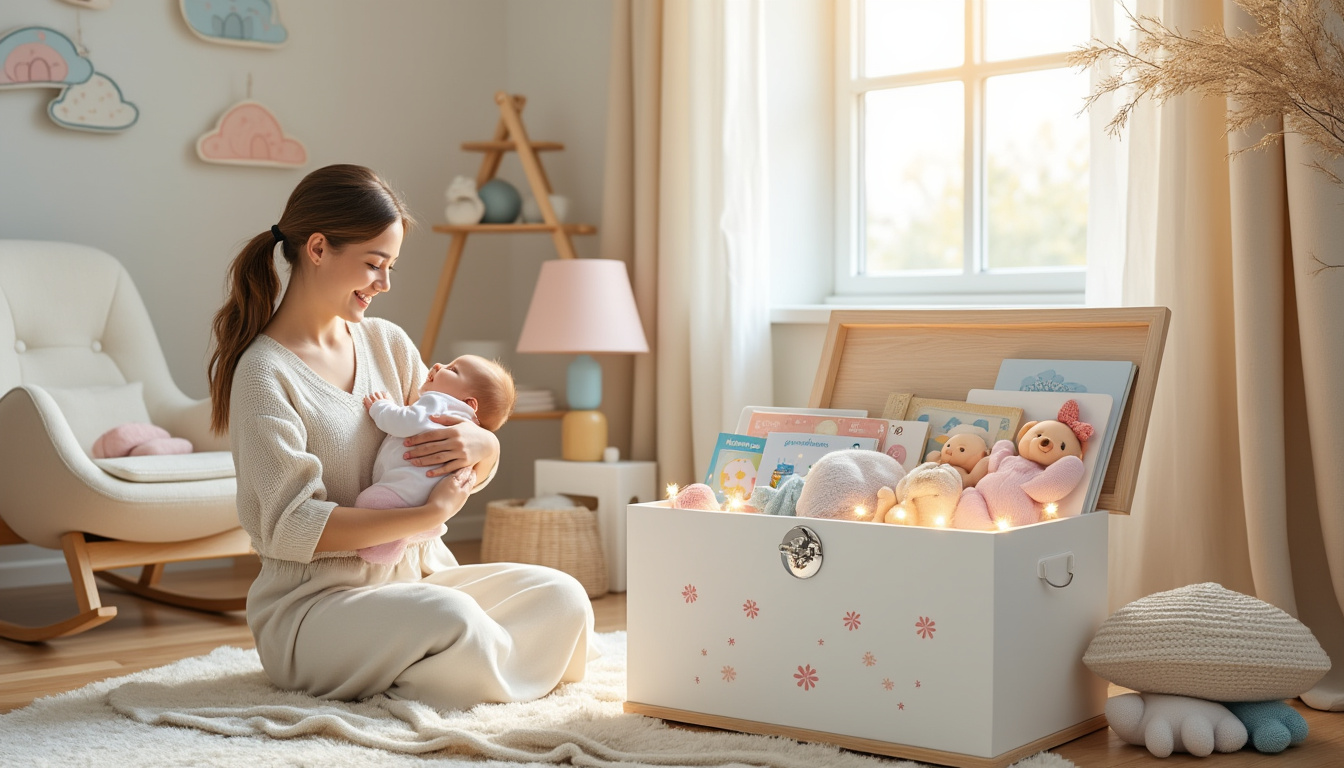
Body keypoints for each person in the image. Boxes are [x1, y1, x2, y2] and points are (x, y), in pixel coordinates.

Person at [207, 164, 592, 711]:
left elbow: (446, 455)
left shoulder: (388, 344)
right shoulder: (264, 375)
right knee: (451, 619)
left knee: (563, 596)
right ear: (317, 248)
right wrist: (425, 515)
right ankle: (477, 667)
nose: (384, 283)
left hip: (416, 579)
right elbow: (291, 526)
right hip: (317, 608)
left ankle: (452, 669)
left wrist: (487, 448)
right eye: (373, 264)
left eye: (390, 266)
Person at [355, 354, 517, 565]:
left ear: (469, 403)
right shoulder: (467, 426)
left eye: (452, 370)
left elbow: (403, 421)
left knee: (369, 504)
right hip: (430, 494)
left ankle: (383, 554)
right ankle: (421, 529)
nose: (439, 365)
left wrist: (381, 407)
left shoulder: (438, 402)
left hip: (404, 490)